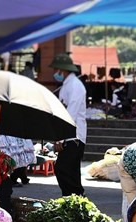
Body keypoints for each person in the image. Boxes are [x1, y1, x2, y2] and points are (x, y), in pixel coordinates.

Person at [50, 53, 87, 197]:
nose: (54, 73)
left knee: (63, 169)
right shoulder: (68, 85)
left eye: (56, 70)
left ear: (61, 70)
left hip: (74, 136)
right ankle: (73, 198)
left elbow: (71, 112)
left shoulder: (75, 86)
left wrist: (61, 137)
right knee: (69, 171)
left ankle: (74, 197)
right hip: (70, 135)